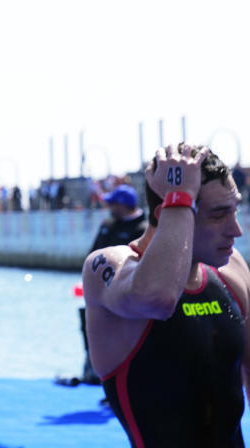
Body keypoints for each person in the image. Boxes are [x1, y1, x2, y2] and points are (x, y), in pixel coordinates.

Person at [82, 143, 248, 447]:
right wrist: (180, 199)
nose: (235, 230)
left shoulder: (231, 267)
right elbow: (157, 299)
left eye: (234, 210)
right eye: (219, 215)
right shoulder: (109, 267)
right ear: (169, 213)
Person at [73, 183, 149, 384]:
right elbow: (93, 255)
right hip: (101, 294)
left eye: (113, 204)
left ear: (122, 205)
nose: (109, 208)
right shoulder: (107, 226)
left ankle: (128, 379)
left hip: (127, 295)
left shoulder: (143, 230)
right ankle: (94, 371)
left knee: (126, 339)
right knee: (90, 326)